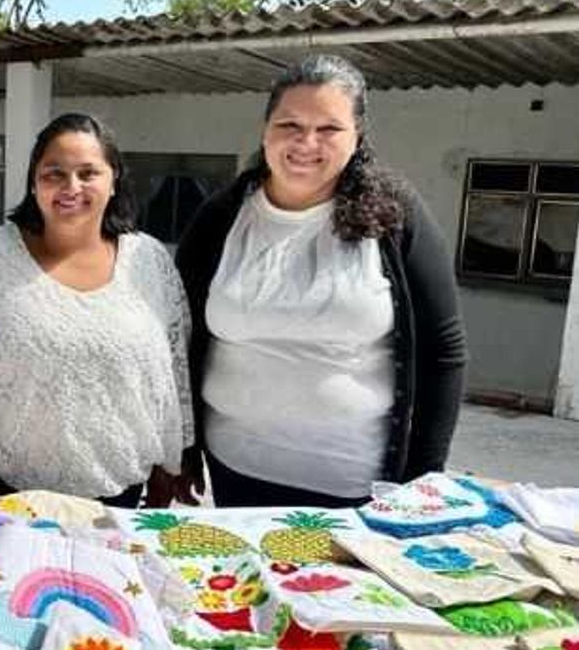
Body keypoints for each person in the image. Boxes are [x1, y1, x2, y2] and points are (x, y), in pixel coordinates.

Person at [174, 54, 467, 508]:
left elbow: (444, 351)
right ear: (266, 130)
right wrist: (184, 447)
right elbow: (180, 338)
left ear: (357, 136)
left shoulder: (395, 216)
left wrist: (424, 478)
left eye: (329, 128)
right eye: (289, 124)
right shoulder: (221, 217)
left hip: (355, 486)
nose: (306, 142)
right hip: (235, 471)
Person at [0, 112, 194, 508]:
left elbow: (174, 367)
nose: (71, 187)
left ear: (114, 179)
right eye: (54, 173)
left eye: (88, 173)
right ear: (33, 181)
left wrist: (172, 459)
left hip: (120, 491)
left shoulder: (149, 261)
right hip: (6, 491)